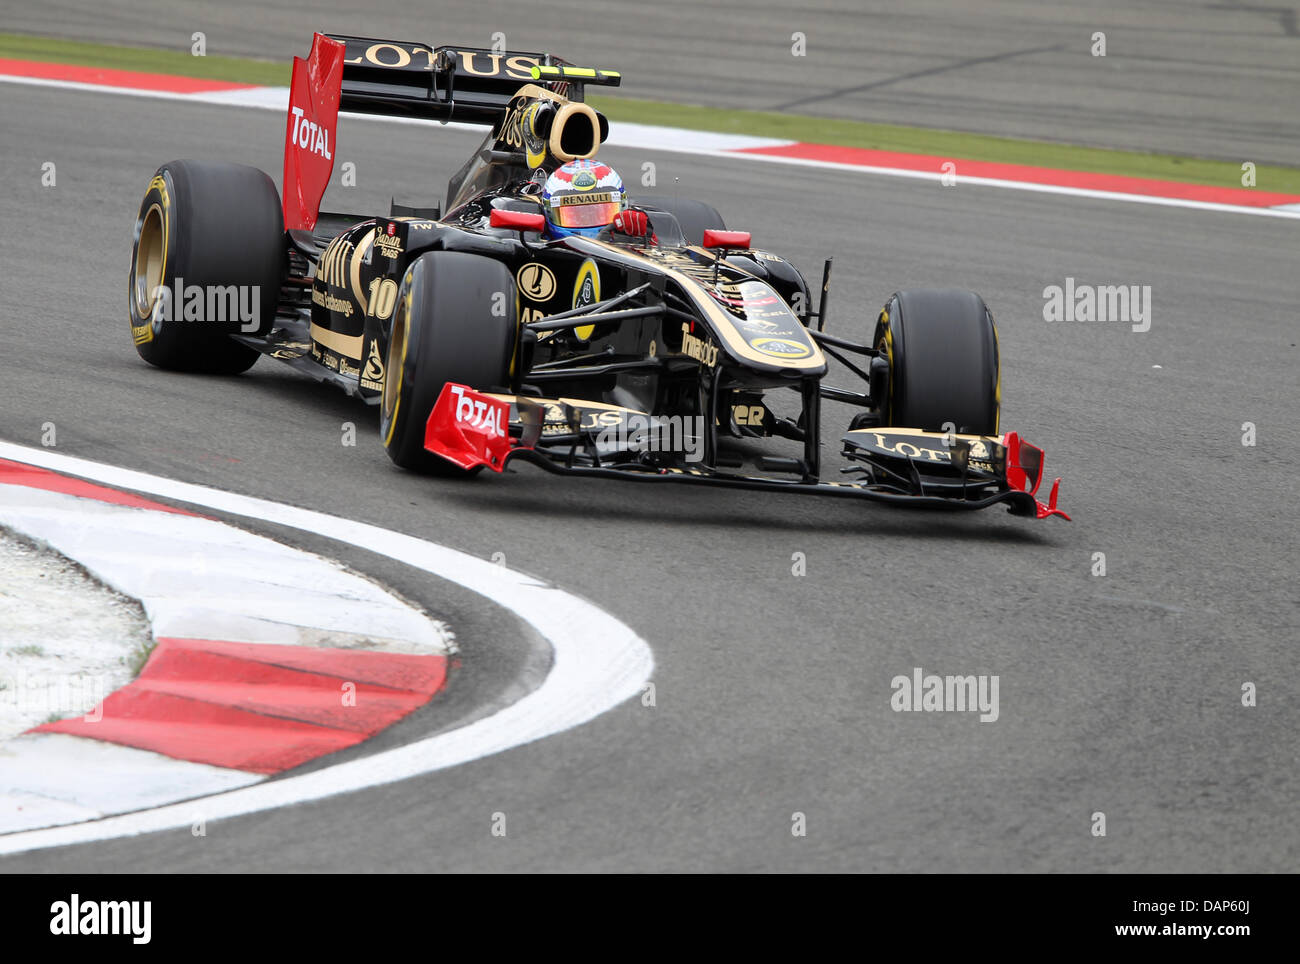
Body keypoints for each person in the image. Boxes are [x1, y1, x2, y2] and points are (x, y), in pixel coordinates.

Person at [540, 159, 655, 243]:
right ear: (548, 213)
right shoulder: (536, 249)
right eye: (575, 215)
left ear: (623, 206)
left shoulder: (626, 241)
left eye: (599, 213)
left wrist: (643, 241)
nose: (587, 219)